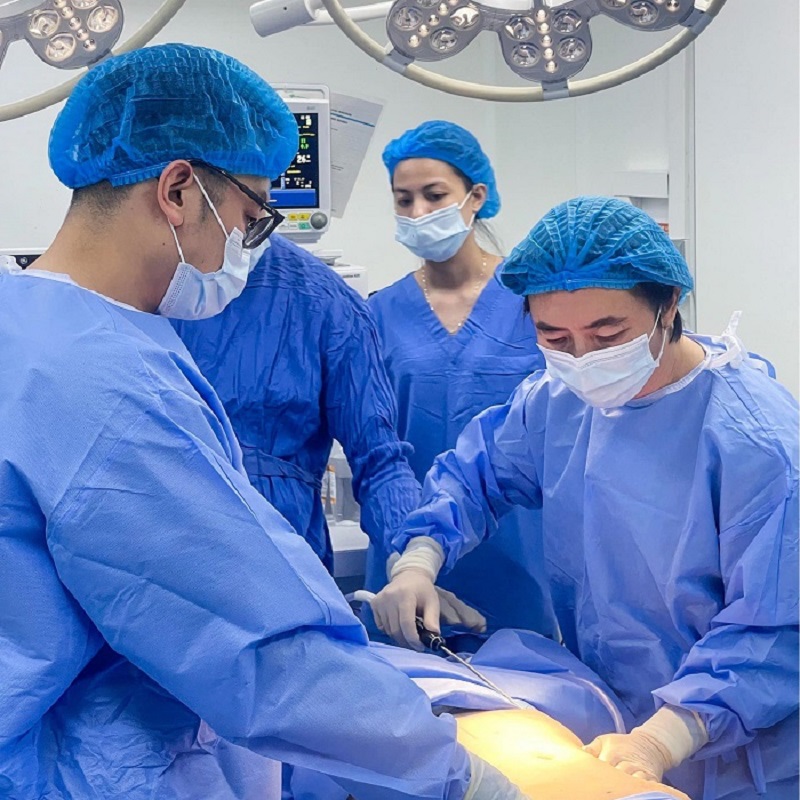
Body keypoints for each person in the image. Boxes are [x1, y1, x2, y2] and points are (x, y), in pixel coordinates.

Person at [0, 43, 531, 800]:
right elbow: (254, 654)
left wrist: (411, 560)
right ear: (179, 189)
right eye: (250, 218)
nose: (250, 249)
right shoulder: (106, 385)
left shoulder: (30, 324)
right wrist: (459, 778)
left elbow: (377, 458)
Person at [370, 196, 799, 799]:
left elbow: (776, 627)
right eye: (554, 335)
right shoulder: (557, 400)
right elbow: (477, 473)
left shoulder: (755, 439)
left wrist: (662, 740)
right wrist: (419, 559)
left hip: (744, 752)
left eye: (607, 333)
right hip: (611, 725)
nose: (582, 357)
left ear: (667, 304)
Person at [365, 120, 557, 641]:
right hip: (405, 554)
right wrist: (405, 557)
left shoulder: (532, 304)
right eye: (403, 200)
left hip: (518, 551)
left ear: (476, 196)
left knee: (529, 706)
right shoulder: (377, 313)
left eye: (434, 195)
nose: (417, 212)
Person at [172, 223, 419, 575]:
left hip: (287, 569)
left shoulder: (326, 302)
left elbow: (380, 459)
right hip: (168, 561)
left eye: (259, 206)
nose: (251, 219)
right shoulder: (146, 290)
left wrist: (411, 560)